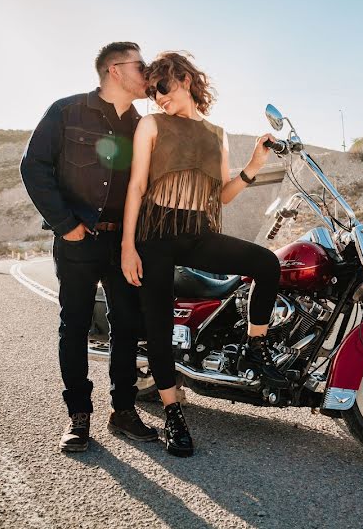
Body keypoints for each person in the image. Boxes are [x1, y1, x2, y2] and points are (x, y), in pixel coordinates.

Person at [121, 51, 282, 457]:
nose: (158, 97)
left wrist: (253, 165)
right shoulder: (150, 125)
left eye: (163, 87)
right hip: (156, 233)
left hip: (198, 232)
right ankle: (174, 413)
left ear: (186, 80)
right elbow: (137, 187)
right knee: (157, 326)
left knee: (267, 263)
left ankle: (255, 345)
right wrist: (128, 246)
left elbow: (220, 196)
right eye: (152, 91)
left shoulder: (216, 133)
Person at [20, 41, 159, 452]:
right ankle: (78, 417)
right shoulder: (67, 110)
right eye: (141, 65)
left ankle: (124, 410)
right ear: (115, 69)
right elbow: (34, 166)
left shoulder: (143, 124)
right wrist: (67, 226)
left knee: (127, 326)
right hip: (78, 241)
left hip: (126, 243)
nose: (148, 72)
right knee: (76, 326)